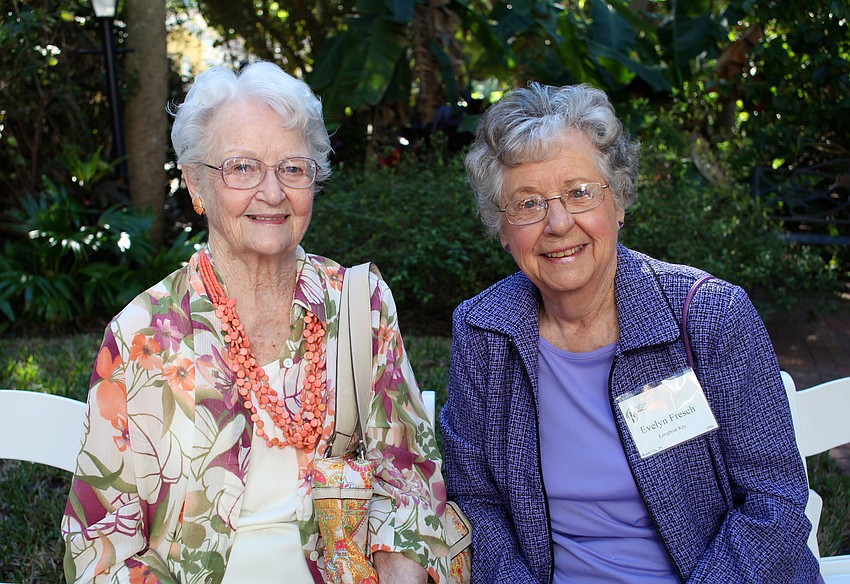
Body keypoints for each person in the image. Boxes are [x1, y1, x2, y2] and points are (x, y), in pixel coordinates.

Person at [62, 61, 450, 584]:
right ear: (197, 185)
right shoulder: (141, 336)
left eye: (292, 168)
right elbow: (99, 541)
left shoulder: (359, 303)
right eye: (243, 167)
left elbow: (409, 478)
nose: (272, 192)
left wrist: (401, 568)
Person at [440, 82, 822, 583]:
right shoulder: (484, 330)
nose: (557, 223)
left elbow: (775, 500)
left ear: (618, 202)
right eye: (528, 204)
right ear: (503, 228)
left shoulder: (710, 317)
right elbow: (474, 499)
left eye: (579, 193)